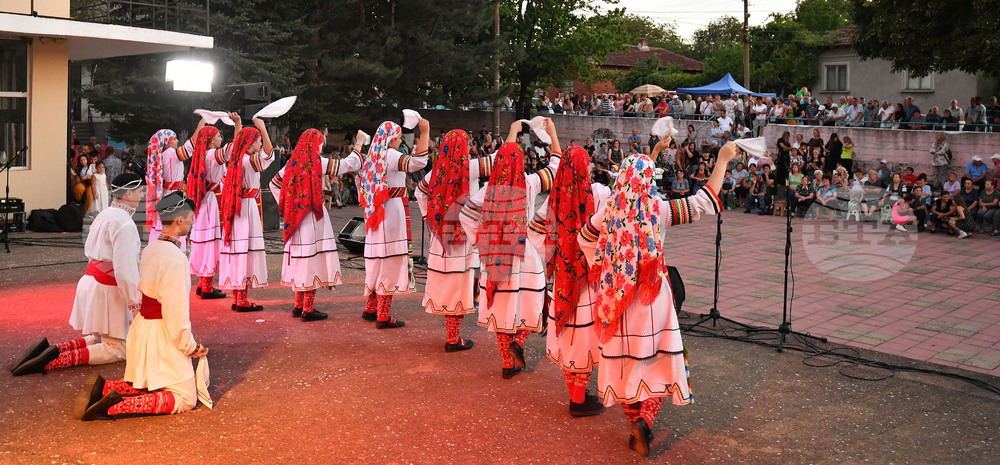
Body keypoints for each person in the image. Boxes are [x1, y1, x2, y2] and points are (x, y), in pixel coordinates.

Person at [577, 140, 734, 457]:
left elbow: (583, 239)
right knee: (661, 364)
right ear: (649, 182)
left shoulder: (605, 214)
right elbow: (705, 202)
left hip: (615, 300)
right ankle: (646, 421)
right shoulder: (658, 210)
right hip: (653, 299)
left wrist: (608, 262)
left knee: (625, 369)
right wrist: (723, 160)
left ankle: (634, 420)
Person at [72, 191, 211, 421]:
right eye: (189, 218)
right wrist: (190, 346)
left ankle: (106, 389)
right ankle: (113, 407)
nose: (192, 222)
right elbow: (175, 314)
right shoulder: (176, 259)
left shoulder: (150, 249)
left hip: (142, 330)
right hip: (162, 334)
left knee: (150, 382)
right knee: (186, 397)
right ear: (179, 221)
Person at [11, 174, 145, 376]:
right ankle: (53, 360)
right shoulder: (124, 224)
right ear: (128, 193)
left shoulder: (104, 214)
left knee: (101, 338)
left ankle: (53, 351)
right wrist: (135, 306)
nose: (142, 195)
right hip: (107, 290)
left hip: (92, 283)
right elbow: (125, 271)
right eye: (140, 191)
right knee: (119, 347)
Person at [459, 119, 561, 379]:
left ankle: (507, 363)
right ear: (522, 163)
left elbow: (466, 217)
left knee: (503, 309)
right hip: (524, 253)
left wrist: (482, 240)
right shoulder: (528, 184)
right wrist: (553, 134)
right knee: (535, 301)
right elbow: (556, 166)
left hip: (496, 258)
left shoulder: (487, 191)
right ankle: (521, 341)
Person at [527, 145, 609, 417]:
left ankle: (576, 394)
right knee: (584, 337)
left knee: (570, 335)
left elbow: (536, 232)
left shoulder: (553, 198)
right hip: (589, 279)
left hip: (563, 278)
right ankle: (578, 400)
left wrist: (556, 257)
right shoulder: (598, 193)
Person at [415, 128, 496, 350]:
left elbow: (419, 192)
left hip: (440, 237)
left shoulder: (435, 172)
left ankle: (452, 336)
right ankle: (453, 338)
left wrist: (429, 218)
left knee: (448, 285)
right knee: (459, 286)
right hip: (462, 237)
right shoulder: (469, 168)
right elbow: (500, 159)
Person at [270, 129, 364, 321]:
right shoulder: (317, 162)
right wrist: (359, 144)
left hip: (296, 218)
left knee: (301, 260)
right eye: (321, 142)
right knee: (312, 260)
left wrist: (290, 204)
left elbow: (274, 183)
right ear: (314, 144)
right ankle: (308, 309)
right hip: (312, 217)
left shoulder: (291, 163)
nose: (322, 146)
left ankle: (298, 306)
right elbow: (347, 165)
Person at [357, 119, 431, 328]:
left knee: (377, 260)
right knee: (389, 259)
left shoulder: (373, 155)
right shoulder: (391, 155)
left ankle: (371, 308)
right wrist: (424, 133)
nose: (400, 141)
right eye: (398, 138)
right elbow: (418, 163)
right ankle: (383, 315)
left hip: (376, 214)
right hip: (391, 212)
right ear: (391, 139)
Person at [219, 118, 275, 312]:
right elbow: (269, 155)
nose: (260, 144)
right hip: (247, 208)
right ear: (251, 143)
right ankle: (241, 300)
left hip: (237, 209)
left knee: (239, 250)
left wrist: (239, 127)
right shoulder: (249, 161)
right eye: (258, 141)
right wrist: (262, 127)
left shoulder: (236, 160)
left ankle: (238, 296)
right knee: (245, 250)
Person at [186, 115, 240, 301]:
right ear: (210, 140)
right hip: (212, 202)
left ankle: (203, 283)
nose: (220, 139)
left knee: (204, 241)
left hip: (204, 201)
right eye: (218, 136)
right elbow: (235, 148)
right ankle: (207, 286)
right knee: (211, 241)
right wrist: (238, 126)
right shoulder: (212, 155)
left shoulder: (201, 155)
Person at [146, 129, 191, 247]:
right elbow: (189, 148)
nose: (177, 141)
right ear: (167, 141)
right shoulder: (171, 152)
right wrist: (202, 122)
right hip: (173, 195)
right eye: (175, 139)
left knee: (163, 225)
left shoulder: (160, 155)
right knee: (176, 225)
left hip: (166, 194)